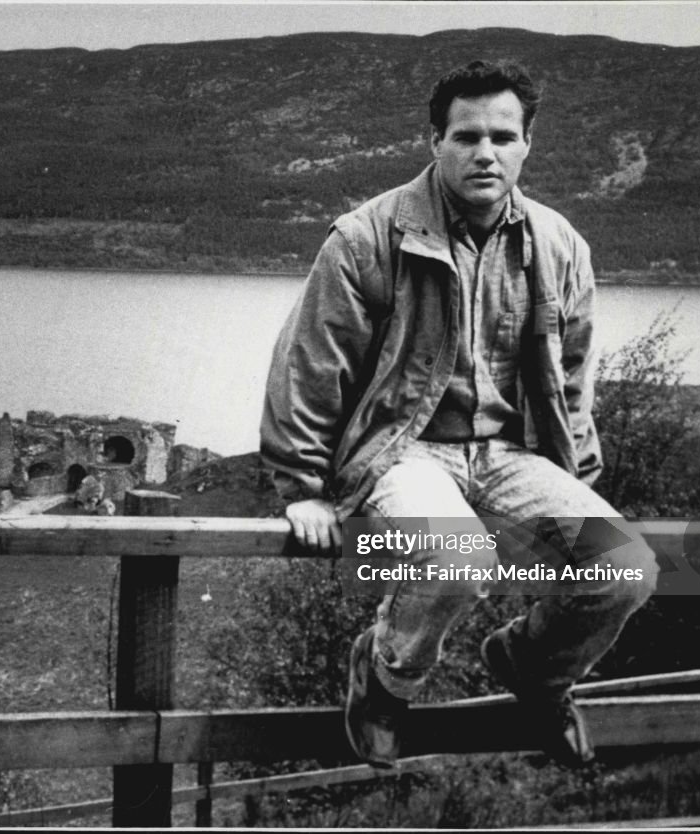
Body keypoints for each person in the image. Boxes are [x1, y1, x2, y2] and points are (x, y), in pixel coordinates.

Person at [260, 60, 659, 768]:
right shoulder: (366, 237)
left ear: (527, 144)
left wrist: (581, 481)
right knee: (457, 556)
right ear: (435, 141)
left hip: (513, 456)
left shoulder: (559, 244)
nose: (485, 151)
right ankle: (385, 679)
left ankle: (533, 669)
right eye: (467, 135)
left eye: (503, 136)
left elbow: (571, 377)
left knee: (623, 563)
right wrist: (304, 489)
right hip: (404, 452)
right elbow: (312, 364)